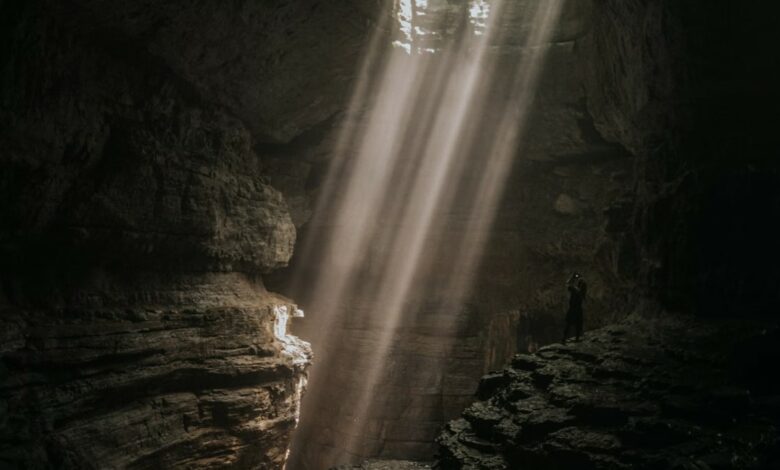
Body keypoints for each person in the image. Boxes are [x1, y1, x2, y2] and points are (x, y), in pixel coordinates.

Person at [562, 272, 587, 342]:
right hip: (578, 310)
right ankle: (577, 338)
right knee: (578, 325)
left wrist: (573, 277)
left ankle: (564, 338)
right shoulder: (582, 293)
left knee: (568, 325)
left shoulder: (575, 290)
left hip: (572, 309)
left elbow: (568, 284)